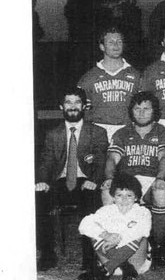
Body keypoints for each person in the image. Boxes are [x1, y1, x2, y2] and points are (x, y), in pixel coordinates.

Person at [35, 87, 109, 273]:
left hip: (86, 181)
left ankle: (90, 258)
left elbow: (101, 162)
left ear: (84, 106)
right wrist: (42, 181)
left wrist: (94, 180)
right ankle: (47, 254)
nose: (73, 106)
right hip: (60, 182)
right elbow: (46, 161)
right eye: (68, 102)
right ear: (62, 106)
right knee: (39, 199)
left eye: (77, 102)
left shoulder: (97, 132)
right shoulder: (53, 134)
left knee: (91, 200)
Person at [100, 92, 165, 268]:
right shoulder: (122, 133)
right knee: (106, 193)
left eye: (146, 109)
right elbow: (112, 159)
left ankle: (157, 245)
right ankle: (116, 244)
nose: (141, 113)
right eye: (137, 109)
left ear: (154, 111)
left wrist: (160, 178)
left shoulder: (163, 132)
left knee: (161, 193)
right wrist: (110, 179)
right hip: (128, 181)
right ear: (131, 111)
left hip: (152, 179)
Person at [78, 173, 152, 280]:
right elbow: (84, 224)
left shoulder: (142, 212)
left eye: (129, 195)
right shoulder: (107, 210)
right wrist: (106, 235)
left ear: (136, 198)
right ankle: (125, 269)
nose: (124, 199)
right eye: (119, 195)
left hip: (136, 263)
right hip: (113, 262)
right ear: (113, 197)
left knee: (141, 237)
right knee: (94, 232)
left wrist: (116, 239)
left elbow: (143, 231)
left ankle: (106, 270)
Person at [77, 26, 141, 140]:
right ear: (102, 46)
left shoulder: (136, 76)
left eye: (119, 41)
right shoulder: (88, 78)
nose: (116, 45)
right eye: (111, 42)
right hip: (98, 132)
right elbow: (82, 111)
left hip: (128, 131)